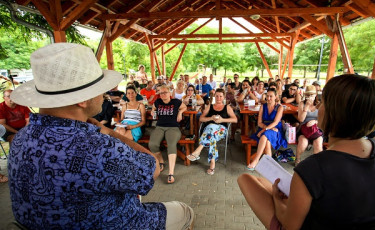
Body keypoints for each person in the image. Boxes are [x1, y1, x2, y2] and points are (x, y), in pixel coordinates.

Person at [8, 43, 193, 229]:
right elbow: (152, 169)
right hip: (114, 223)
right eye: (99, 88)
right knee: (184, 211)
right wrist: (109, 132)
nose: (103, 94)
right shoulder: (98, 147)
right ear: (82, 100)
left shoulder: (20, 139)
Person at [238, 74, 375, 230]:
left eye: (323, 102)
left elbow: (290, 225)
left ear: (333, 112)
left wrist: (277, 200)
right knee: (262, 182)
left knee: (246, 179)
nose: (319, 107)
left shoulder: (313, 168)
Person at [187, 89, 237, 175]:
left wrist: (222, 120)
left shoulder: (227, 107)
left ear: (224, 97)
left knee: (210, 128)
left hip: (221, 130)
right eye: (217, 96)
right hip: (210, 132)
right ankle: (212, 164)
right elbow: (201, 118)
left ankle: (198, 150)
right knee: (211, 134)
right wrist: (211, 118)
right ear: (214, 97)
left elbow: (235, 119)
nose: (218, 98)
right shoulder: (210, 106)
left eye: (220, 96)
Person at [150, 85, 187, 184]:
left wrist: (180, 113)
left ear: (170, 93)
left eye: (165, 92)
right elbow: (153, 109)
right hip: (160, 127)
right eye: (161, 93)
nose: (163, 94)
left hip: (173, 127)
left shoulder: (175, 102)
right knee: (152, 144)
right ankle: (161, 161)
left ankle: (171, 173)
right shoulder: (157, 102)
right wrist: (152, 111)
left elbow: (184, 107)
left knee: (171, 145)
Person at [247, 88, 287, 170]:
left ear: (276, 96)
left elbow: (276, 122)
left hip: (276, 129)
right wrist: (266, 129)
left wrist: (264, 130)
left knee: (265, 135)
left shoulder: (280, 107)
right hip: (266, 128)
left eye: (271, 96)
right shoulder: (263, 106)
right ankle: (271, 165)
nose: (268, 98)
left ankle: (256, 160)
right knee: (267, 142)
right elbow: (259, 123)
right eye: (267, 96)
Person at [295, 85, 323, 166]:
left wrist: (315, 121)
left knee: (318, 144)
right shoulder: (302, 103)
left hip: (316, 129)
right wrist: (306, 107)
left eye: (312, 95)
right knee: (303, 143)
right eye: (308, 95)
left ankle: (317, 163)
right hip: (304, 129)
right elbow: (301, 119)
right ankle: (298, 158)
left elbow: (323, 119)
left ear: (315, 95)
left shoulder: (319, 104)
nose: (310, 97)